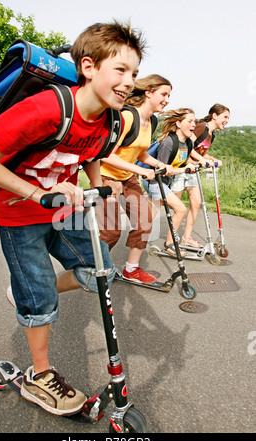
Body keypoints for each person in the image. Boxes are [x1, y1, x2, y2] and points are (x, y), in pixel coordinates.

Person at [0, 21, 145, 416]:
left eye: (133, 73)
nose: (129, 81)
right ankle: (40, 375)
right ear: (88, 66)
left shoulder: (110, 119)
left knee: (99, 271)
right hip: (20, 211)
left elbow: (92, 153)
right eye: (120, 70)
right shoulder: (46, 108)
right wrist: (37, 193)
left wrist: (99, 188)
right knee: (40, 300)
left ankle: (25, 292)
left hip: (64, 209)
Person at [97, 74, 173, 284]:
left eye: (169, 95)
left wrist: (159, 165)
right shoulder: (128, 117)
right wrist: (141, 172)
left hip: (127, 177)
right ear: (148, 93)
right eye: (163, 94)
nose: (167, 99)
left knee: (144, 222)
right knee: (111, 232)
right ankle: (93, 268)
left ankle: (131, 269)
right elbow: (107, 155)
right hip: (107, 177)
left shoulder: (152, 121)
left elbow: (140, 154)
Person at [143, 108, 206, 256]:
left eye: (194, 122)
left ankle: (137, 237)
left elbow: (185, 159)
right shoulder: (169, 142)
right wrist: (185, 170)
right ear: (178, 123)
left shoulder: (188, 144)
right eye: (189, 121)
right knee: (181, 209)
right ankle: (170, 244)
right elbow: (161, 169)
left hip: (164, 183)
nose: (193, 125)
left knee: (147, 219)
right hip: (155, 182)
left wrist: (201, 162)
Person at [170, 104, 230, 248]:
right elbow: (187, 146)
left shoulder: (212, 134)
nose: (227, 120)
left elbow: (201, 151)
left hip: (193, 170)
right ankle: (170, 240)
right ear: (214, 115)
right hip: (181, 168)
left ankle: (186, 238)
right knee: (175, 207)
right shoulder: (202, 127)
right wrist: (202, 160)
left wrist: (211, 159)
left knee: (196, 203)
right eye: (225, 117)